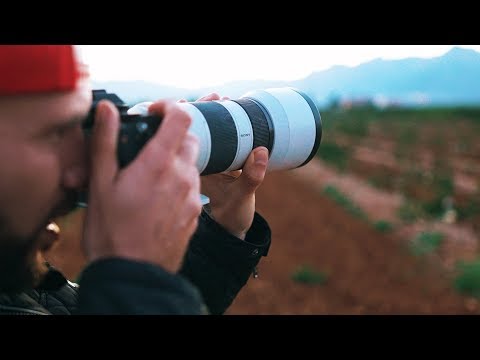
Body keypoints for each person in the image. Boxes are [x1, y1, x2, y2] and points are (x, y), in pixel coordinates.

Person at [0, 45, 271, 315]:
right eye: (56, 134)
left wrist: (218, 232)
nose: (80, 174)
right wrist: (137, 275)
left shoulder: (19, 286)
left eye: (81, 129)